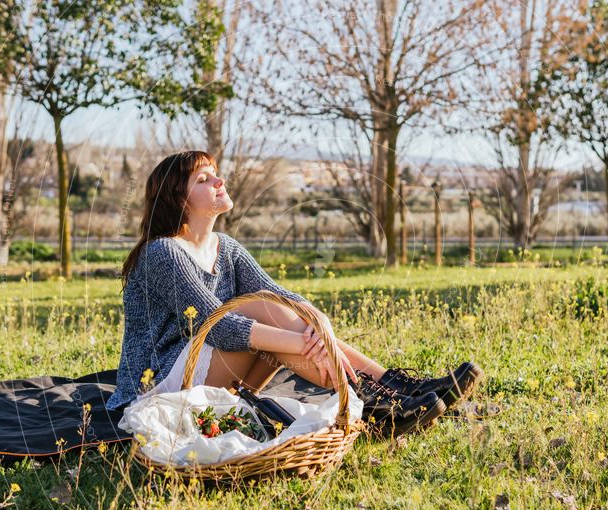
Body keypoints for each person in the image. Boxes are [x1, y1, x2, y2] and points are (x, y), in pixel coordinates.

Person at [105, 150, 484, 437]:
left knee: (271, 306)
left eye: (216, 175)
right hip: (156, 387)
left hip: (216, 375)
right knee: (256, 310)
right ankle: (372, 404)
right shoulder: (163, 252)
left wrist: (321, 325)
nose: (219, 182)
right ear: (178, 198)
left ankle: (395, 389)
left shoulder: (227, 247)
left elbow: (281, 295)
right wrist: (306, 343)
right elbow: (218, 328)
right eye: (204, 179)